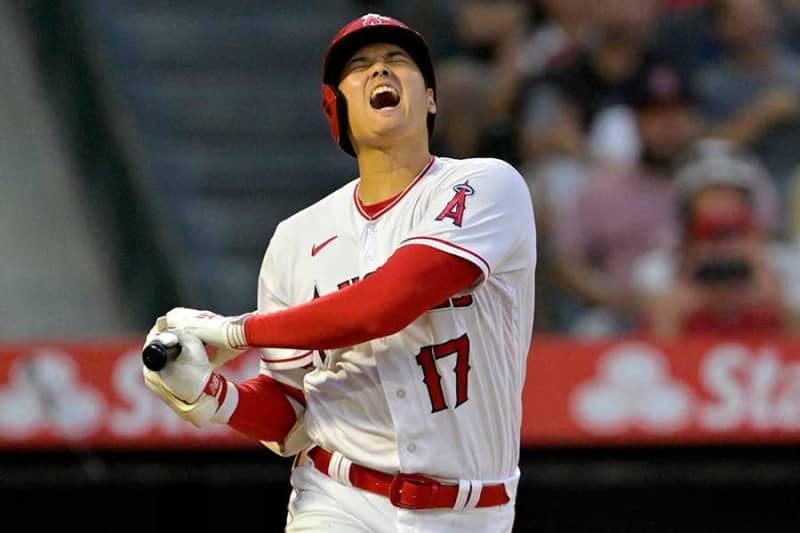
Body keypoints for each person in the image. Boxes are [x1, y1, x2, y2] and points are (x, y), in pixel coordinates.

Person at [142, 13, 536, 533]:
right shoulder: (296, 238)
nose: (381, 70)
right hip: (336, 498)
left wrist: (236, 332)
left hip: (470, 514)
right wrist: (212, 393)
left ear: (431, 98)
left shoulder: (485, 186)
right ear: (337, 109)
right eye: (360, 66)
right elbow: (291, 414)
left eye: (398, 60)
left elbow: (383, 306)